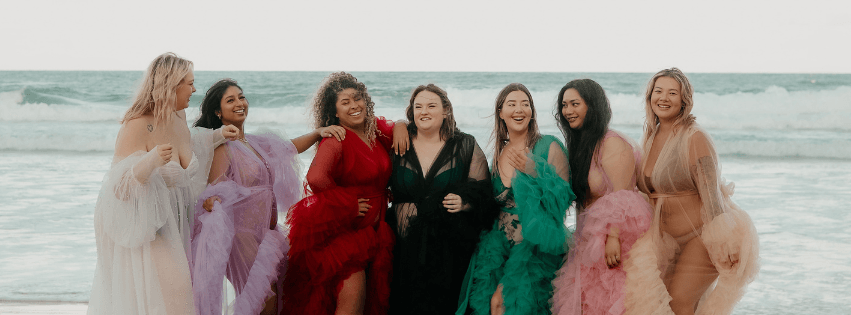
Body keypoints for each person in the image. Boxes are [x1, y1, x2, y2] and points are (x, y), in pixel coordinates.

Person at [88, 52, 238, 314]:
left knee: (180, 298)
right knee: (178, 296)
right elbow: (119, 189)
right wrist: (150, 161)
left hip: (177, 223)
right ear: (171, 85)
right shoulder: (137, 124)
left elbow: (190, 152)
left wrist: (217, 136)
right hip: (148, 226)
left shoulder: (178, 117)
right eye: (189, 83)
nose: (194, 89)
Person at [188, 79, 345, 315]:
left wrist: (317, 133)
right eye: (230, 100)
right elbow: (217, 187)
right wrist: (211, 201)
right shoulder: (224, 146)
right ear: (218, 112)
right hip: (242, 236)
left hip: (267, 235)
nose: (240, 103)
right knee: (263, 300)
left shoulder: (253, 142)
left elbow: (288, 147)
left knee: (277, 297)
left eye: (241, 97)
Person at [623, 68, 759, 315]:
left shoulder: (695, 137)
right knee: (661, 305)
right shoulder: (650, 136)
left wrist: (723, 243)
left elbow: (712, 197)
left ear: (684, 100)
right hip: (666, 240)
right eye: (658, 91)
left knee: (679, 303)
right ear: (649, 96)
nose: (664, 98)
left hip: (701, 236)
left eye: (672, 93)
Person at [282, 72, 409, 315]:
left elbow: (394, 128)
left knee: (371, 303)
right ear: (335, 112)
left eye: (357, 98)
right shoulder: (336, 138)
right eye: (345, 102)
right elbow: (316, 178)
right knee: (351, 306)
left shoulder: (374, 132)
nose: (354, 106)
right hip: (346, 236)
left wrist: (401, 125)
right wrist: (348, 205)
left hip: (376, 231)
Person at [457, 83, 575, 315]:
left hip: (532, 247)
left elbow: (563, 200)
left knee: (504, 304)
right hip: (498, 247)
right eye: (511, 104)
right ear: (501, 113)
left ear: (532, 112)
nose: (519, 109)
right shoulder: (499, 153)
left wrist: (536, 171)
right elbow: (491, 202)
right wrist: (467, 204)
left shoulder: (548, 145)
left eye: (525, 104)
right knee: (488, 305)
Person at [387, 84, 498, 315]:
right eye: (418, 106)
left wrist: (465, 203)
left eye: (431, 106)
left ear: (445, 110)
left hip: (447, 252)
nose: (424, 111)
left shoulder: (464, 144)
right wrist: (397, 124)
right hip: (401, 249)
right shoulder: (397, 141)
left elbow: (485, 192)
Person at [550, 79, 653, 315]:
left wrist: (613, 237)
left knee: (611, 304)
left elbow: (623, 197)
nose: (568, 111)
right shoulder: (581, 146)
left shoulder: (613, 143)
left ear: (592, 105)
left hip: (613, 242)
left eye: (575, 104)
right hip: (586, 243)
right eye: (564, 105)